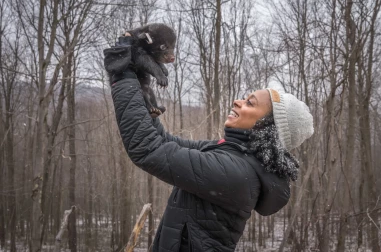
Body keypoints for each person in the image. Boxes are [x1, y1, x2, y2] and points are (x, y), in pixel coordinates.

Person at [104, 35, 314, 252]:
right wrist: (139, 80)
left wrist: (121, 75)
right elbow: (163, 141)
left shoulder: (234, 171)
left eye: (250, 103)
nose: (237, 101)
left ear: (264, 126)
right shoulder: (229, 155)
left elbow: (148, 149)